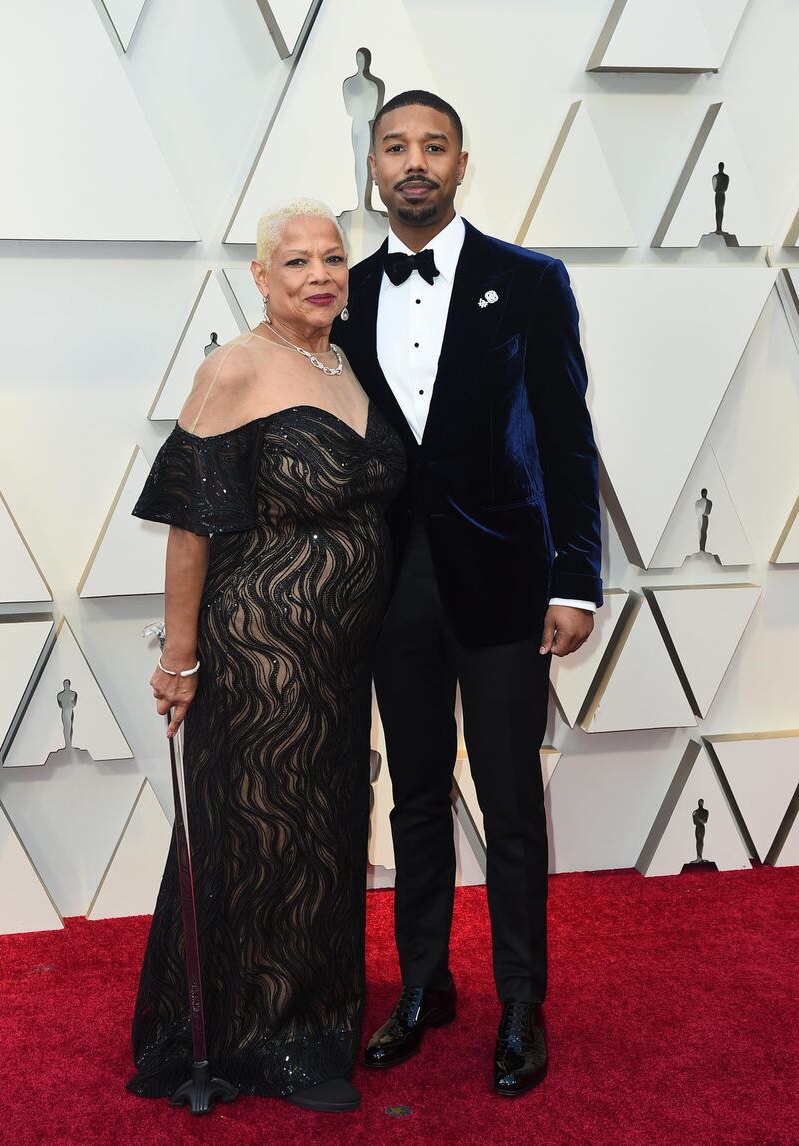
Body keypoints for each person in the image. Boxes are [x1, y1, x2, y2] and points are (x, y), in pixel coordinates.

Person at [332, 91, 603, 1097]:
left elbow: (566, 438)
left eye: (431, 147)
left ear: (460, 163)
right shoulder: (345, 292)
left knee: (508, 802)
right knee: (409, 801)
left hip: (503, 582)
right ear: (371, 166)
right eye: (395, 147)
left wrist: (577, 576)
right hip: (385, 588)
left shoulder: (527, 283)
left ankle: (522, 1006)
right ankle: (422, 986)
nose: (414, 163)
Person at [127, 199, 404, 1113]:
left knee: (325, 830)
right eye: (296, 262)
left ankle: (314, 1017)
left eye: (332, 259)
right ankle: (265, 1043)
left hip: (339, 656)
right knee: (267, 833)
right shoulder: (235, 368)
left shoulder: (348, 360)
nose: (319, 275)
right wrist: (181, 655)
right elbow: (189, 529)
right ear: (259, 275)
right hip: (260, 650)